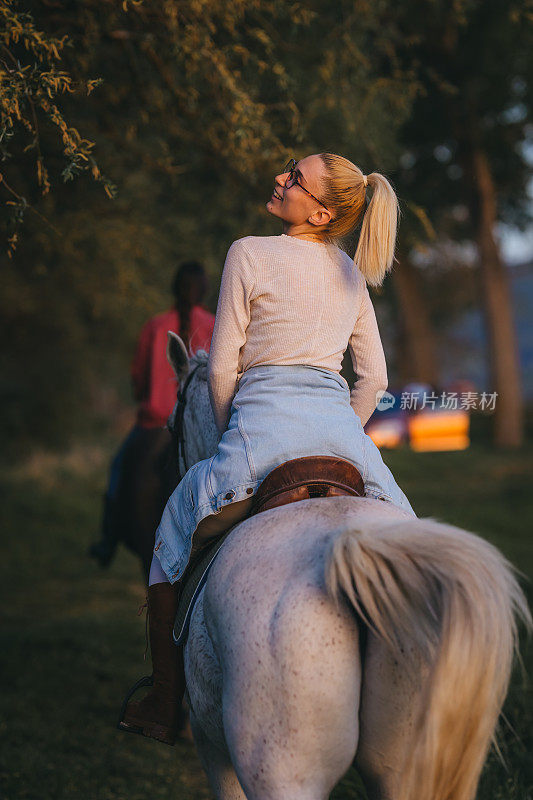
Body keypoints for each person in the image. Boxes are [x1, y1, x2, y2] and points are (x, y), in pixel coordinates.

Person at [118, 153, 417, 745]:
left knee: (168, 543)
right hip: (343, 438)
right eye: (287, 169)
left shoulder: (248, 252)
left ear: (323, 210)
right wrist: (345, 434)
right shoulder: (353, 276)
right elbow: (374, 381)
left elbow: (223, 364)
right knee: (411, 540)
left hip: (260, 430)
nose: (280, 179)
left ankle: (163, 699)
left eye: (293, 178)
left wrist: (236, 434)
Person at [88, 261, 215, 573]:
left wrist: (150, 395)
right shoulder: (215, 325)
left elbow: (138, 378)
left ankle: (107, 540)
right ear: (204, 291)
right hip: (197, 428)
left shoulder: (156, 326)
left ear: (174, 289)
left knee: (119, 467)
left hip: (153, 422)